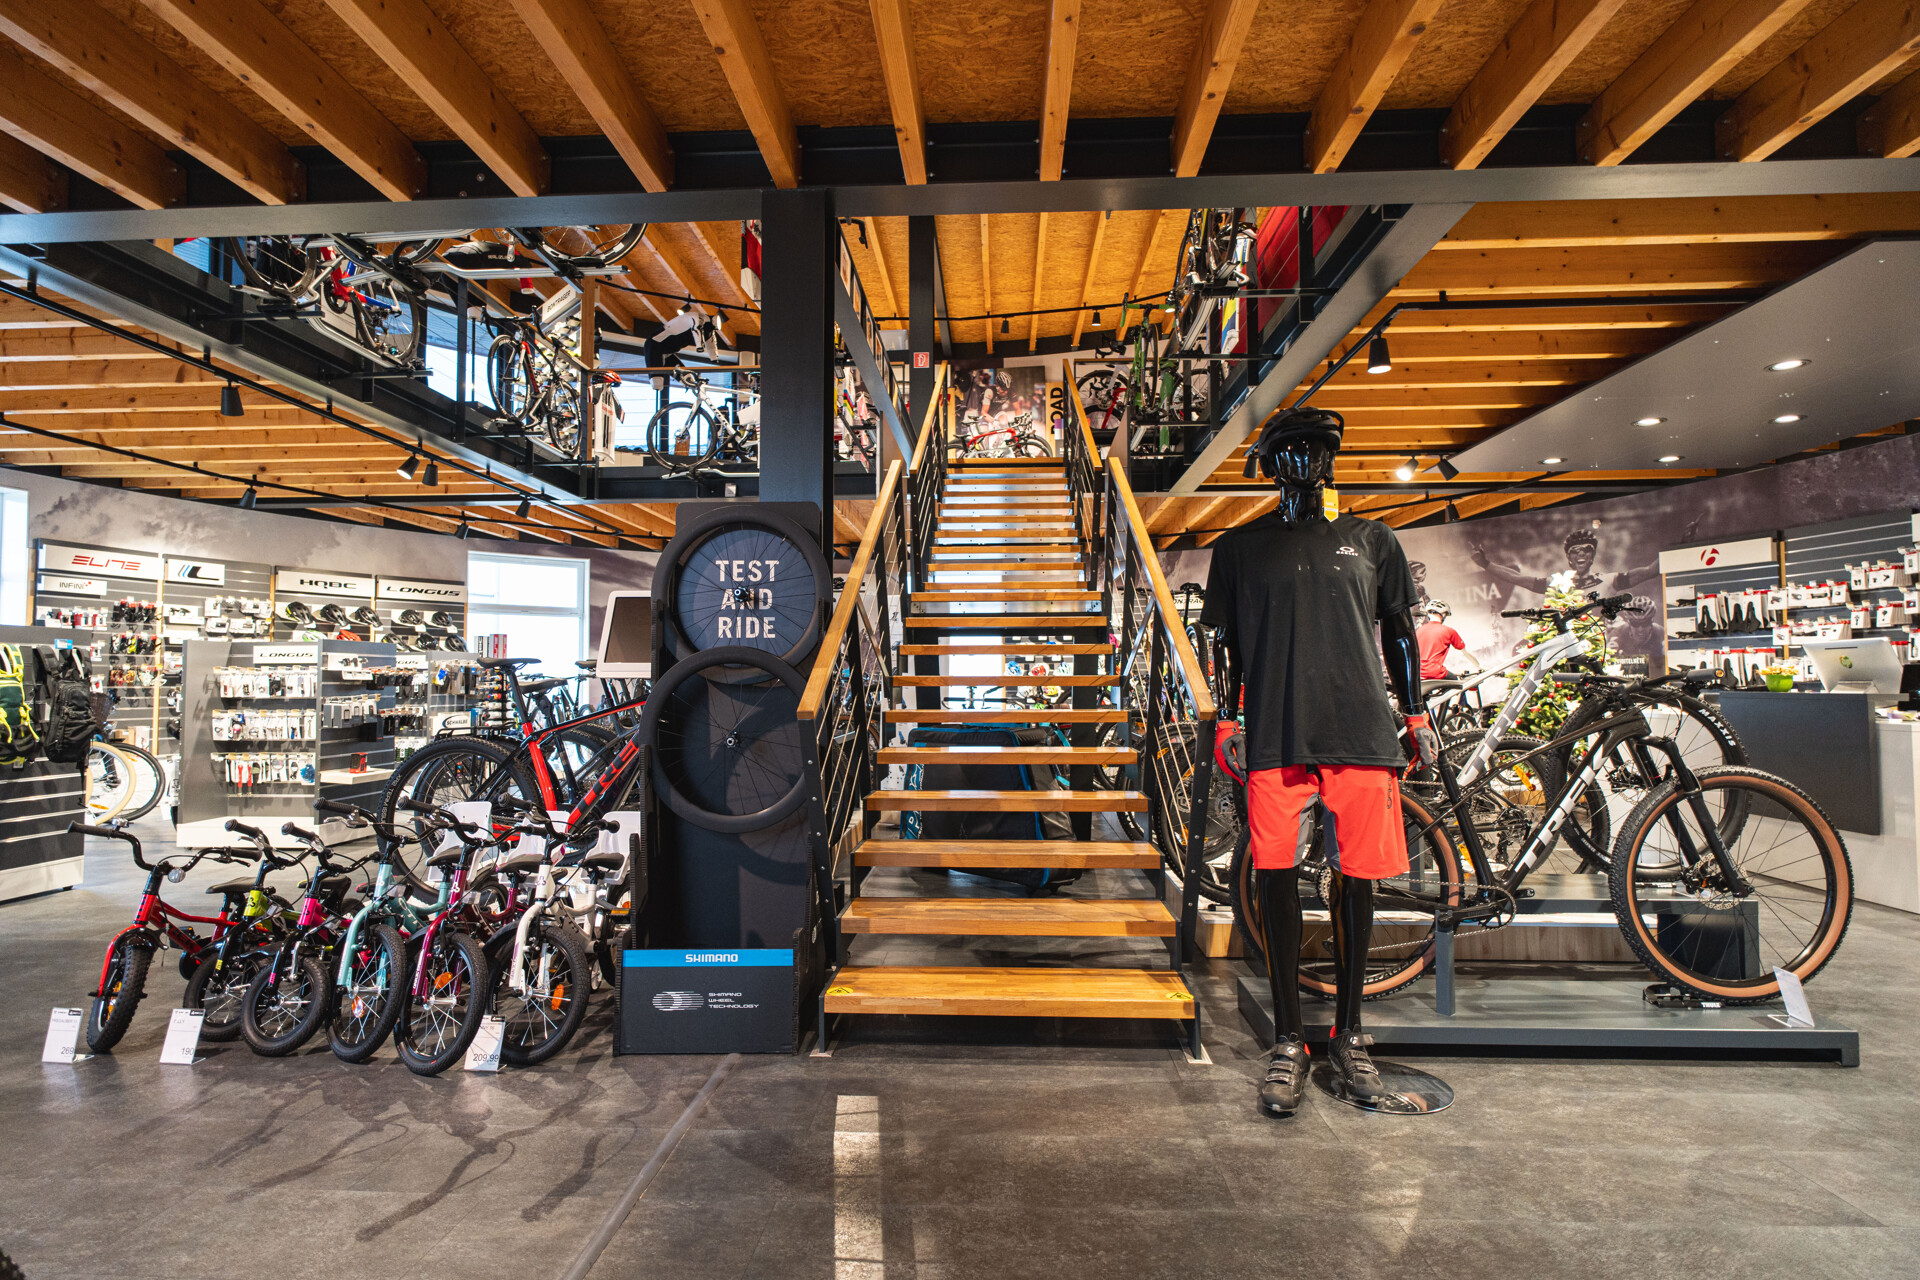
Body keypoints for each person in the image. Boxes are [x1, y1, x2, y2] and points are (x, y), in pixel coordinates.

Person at [1205, 405, 1437, 1118]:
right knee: (1272, 875)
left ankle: (1350, 1034)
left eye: (1320, 448)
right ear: (1270, 464)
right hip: (1276, 732)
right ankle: (1287, 1039)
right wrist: (1227, 716)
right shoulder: (1239, 550)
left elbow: (1399, 632)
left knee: (1358, 877)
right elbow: (1223, 643)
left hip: (1359, 727)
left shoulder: (1372, 541)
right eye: (1294, 448)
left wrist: (1415, 712)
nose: (1309, 459)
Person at [1416, 601, 1467, 680]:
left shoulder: (1418, 631)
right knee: (1458, 683)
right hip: (1435, 671)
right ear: (1443, 614)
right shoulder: (1448, 631)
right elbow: (1465, 652)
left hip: (1417, 672)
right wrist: (1478, 665)